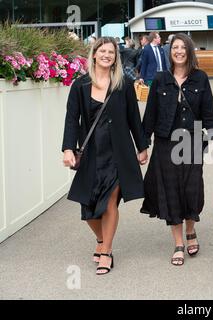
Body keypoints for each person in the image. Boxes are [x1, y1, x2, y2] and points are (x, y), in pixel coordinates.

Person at [62, 37, 149, 275]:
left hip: (118, 154)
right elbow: (72, 119)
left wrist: (142, 146)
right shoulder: (80, 85)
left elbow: (134, 118)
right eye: (102, 51)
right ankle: (102, 239)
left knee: (110, 202)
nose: (107, 55)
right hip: (91, 154)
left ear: (115, 57)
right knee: (87, 205)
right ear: (94, 55)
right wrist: (68, 148)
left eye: (111, 52)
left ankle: (106, 252)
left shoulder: (124, 84)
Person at [140, 33, 213, 266]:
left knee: (191, 189)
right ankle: (178, 242)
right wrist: (143, 145)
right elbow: (150, 116)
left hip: (192, 141)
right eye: (174, 47)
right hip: (166, 142)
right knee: (170, 190)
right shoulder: (160, 79)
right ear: (169, 51)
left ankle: (191, 229)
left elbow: (209, 112)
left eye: (183, 47)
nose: (179, 51)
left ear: (189, 51)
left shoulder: (200, 78)